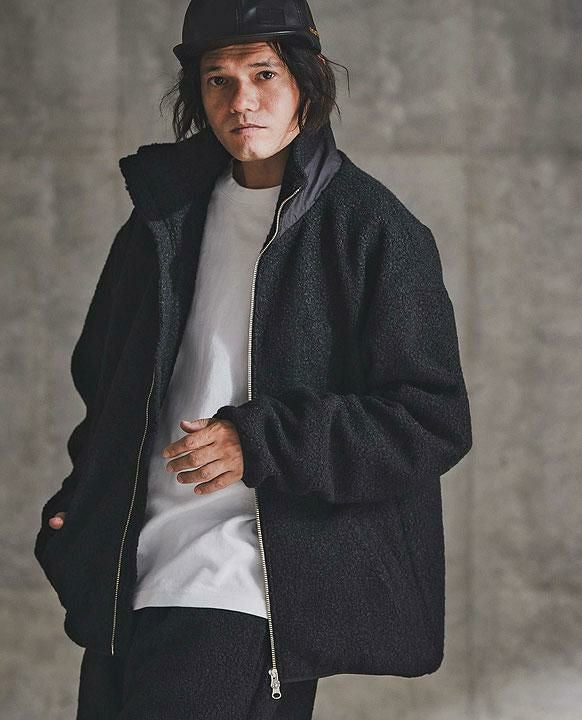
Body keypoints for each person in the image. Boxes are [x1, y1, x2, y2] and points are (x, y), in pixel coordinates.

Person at [34, 0, 473, 717]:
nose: (241, 101)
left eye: (263, 74)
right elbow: (106, 387)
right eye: (218, 80)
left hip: (247, 589)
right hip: (132, 581)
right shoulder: (161, 221)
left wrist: (260, 441)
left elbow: (431, 420)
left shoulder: (373, 230)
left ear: (307, 78)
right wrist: (82, 506)